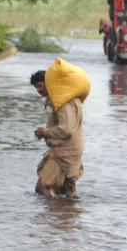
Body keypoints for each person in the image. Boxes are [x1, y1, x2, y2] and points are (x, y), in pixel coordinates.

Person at [34, 57, 89, 198]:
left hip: (64, 153)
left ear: (49, 83)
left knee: (42, 187)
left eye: (40, 86)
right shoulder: (61, 99)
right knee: (65, 191)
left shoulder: (64, 103)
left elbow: (67, 130)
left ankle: (54, 218)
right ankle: (65, 216)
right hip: (69, 150)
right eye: (36, 88)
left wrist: (45, 132)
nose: (38, 90)